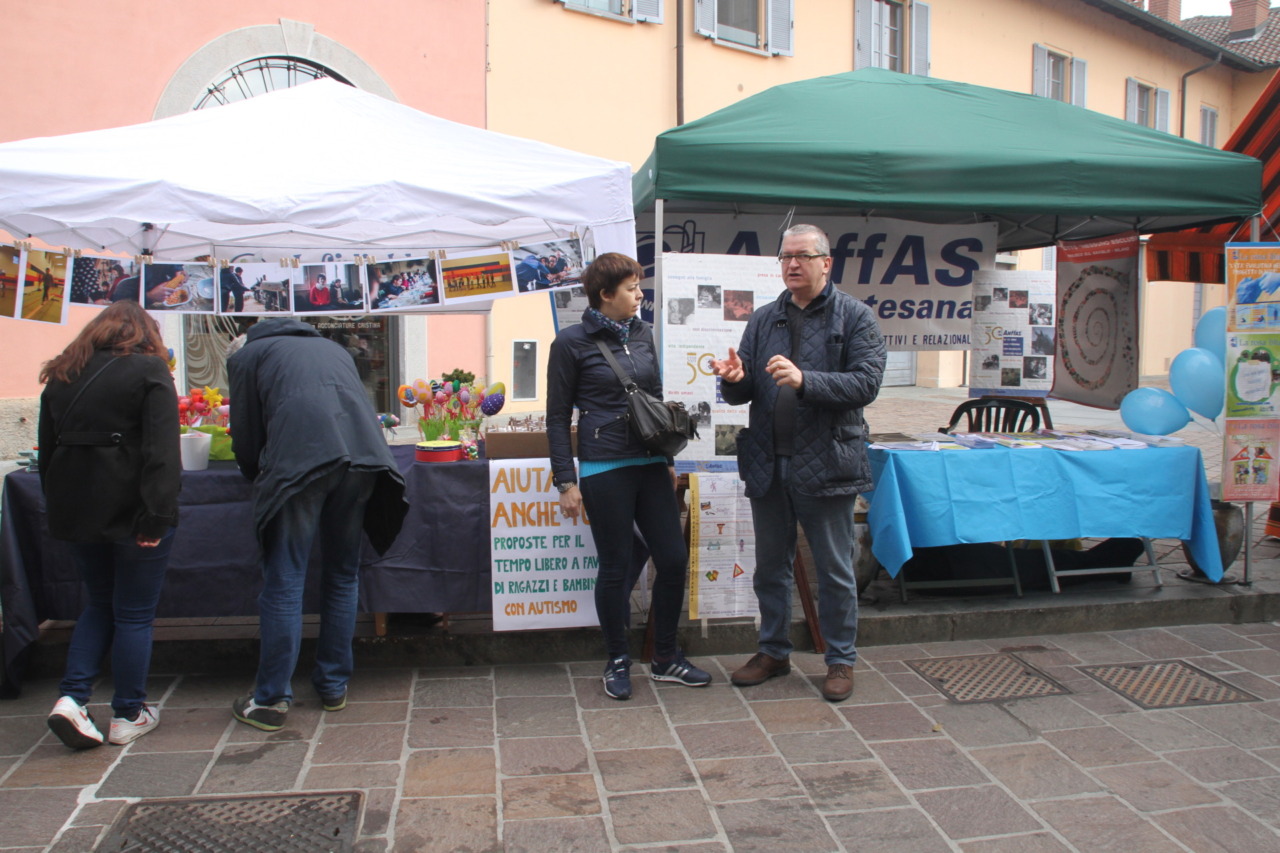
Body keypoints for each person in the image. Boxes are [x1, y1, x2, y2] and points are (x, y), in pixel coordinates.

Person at [711, 224, 886, 702]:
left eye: (802, 256)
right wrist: (734, 379)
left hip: (828, 462)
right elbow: (744, 389)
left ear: (826, 263)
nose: (791, 264)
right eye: (785, 257)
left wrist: (805, 379)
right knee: (770, 567)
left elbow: (866, 385)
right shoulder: (764, 319)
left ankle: (840, 660)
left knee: (833, 569)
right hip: (769, 464)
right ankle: (773, 651)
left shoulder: (856, 318)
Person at [226, 317, 408, 731]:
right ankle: (332, 685)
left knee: (286, 580)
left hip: (303, 464)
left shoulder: (247, 356)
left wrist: (257, 473)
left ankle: (270, 698)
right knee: (343, 575)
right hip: (363, 461)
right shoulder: (332, 348)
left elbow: (247, 437)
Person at [547, 252, 711, 700]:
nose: (640, 294)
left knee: (673, 559)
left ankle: (665, 658)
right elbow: (557, 417)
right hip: (604, 467)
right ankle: (617, 659)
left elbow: (653, 397)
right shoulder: (570, 343)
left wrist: (668, 457)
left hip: (651, 465)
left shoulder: (642, 334)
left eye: (639, 286)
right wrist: (566, 480)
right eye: (631, 288)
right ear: (605, 295)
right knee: (616, 567)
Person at [37, 300, 181, 748]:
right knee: (134, 613)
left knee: (99, 604)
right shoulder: (149, 370)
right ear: (144, 334)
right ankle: (128, 712)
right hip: (134, 510)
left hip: (77, 510)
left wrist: (60, 506)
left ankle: (72, 699)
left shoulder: (61, 374)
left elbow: (46, 454)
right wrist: (157, 516)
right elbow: (162, 453)